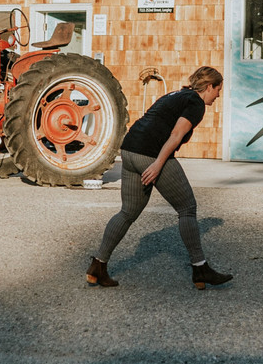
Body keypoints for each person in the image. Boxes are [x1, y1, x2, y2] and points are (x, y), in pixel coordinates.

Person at [87, 66, 233, 290]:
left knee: (128, 212)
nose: (218, 95)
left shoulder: (176, 94)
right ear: (209, 86)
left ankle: (98, 265)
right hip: (149, 154)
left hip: (129, 150)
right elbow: (176, 135)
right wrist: (157, 164)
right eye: (218, 90)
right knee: (187, 208)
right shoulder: (196, 103)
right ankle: (200, 269)